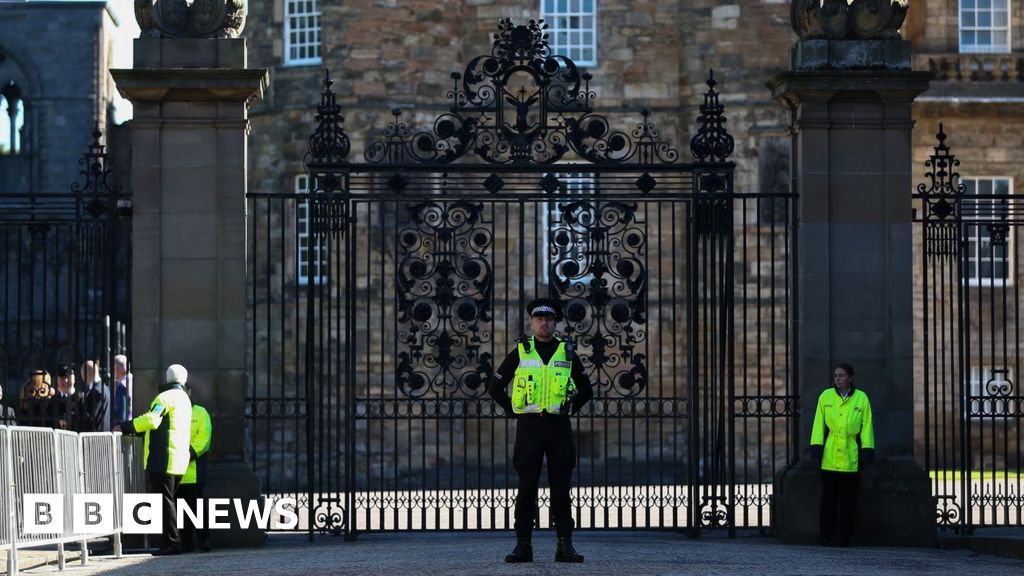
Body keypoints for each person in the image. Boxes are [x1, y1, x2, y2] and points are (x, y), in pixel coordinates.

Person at [488, 298, 593, 563]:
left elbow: (586, 390)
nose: (544, 323)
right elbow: (495, 387)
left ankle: (564, 546)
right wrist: (515, 411)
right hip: (530, 428)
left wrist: (568, 409)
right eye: (539, 319)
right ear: (532, 322)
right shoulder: (522, 351)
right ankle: (523, 546)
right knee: (526, 489)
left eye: (548, 319)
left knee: (561, 489)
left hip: (558, 427)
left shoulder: (566, 351)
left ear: (555, 323)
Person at [118, 363, 192, 556]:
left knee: (166, 502)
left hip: (163, 457)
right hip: (179, 459)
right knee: (170, 501)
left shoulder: (165, 397)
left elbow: (152, 420)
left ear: (166, 379)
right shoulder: (184, 398)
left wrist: (127, 426)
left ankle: (172, 543)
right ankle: (174, 541)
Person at [810, 362, 875, 547]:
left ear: (850, 378)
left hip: (850, 457)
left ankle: (844, 537)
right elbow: (818, 424)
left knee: (848, 502)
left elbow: (867, 426)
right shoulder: (826, 396)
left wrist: (867, 449)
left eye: (841, 375)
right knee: (828, 501)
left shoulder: (861, 398)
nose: (837, 378)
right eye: (836, 375)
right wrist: (816, 446)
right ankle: (826, 536)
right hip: (829, 458)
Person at [178, 381, 212, 553]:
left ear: (189, 392)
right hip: (177, 471)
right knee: (181, 510)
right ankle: (186, 542)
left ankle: (204, 539)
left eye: (183, 390)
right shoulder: (172, 412)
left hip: (195, 470)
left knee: (197, 508)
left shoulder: (200, 412)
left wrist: (188, 454)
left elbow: (204, 439)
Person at [52, 362, 85, 431]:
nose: (66, 381)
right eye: (62, 378)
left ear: (74, 378)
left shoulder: (82, 398)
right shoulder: (53, 399)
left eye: (68, 377)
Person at [80, 360, 110, 432]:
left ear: (86, 374)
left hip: (96, 437)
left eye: (82, 374)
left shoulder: (96, 391)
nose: (82, 378)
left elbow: (90, 416)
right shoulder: (105, 388)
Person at [112, 354, 132, 424]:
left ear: (116, 369)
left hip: (126, 426)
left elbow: (121, 414)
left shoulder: (123, 386)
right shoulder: (135, 380)